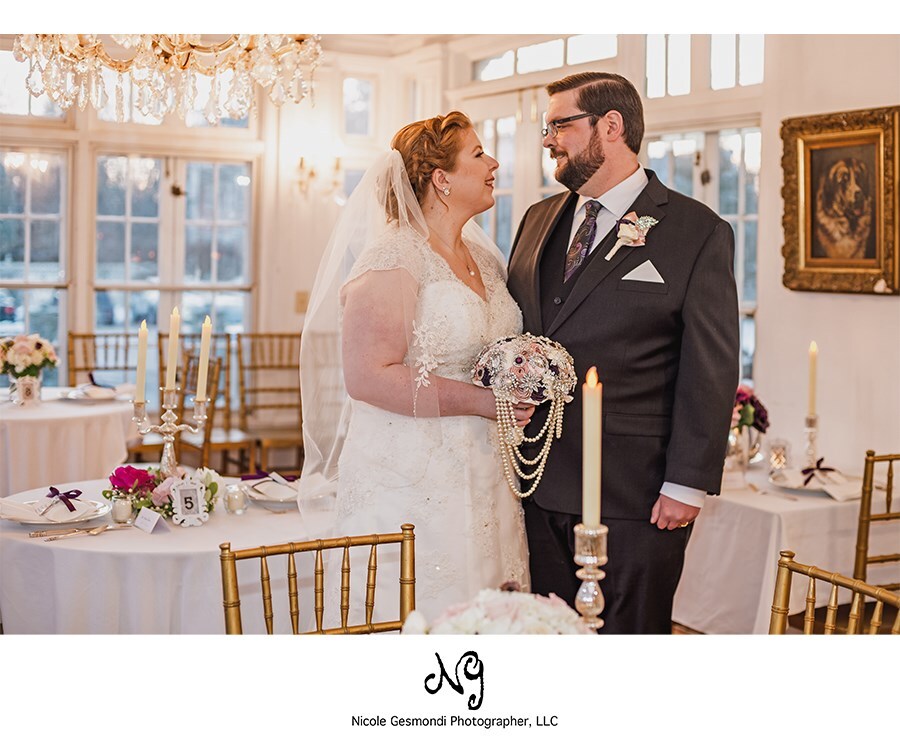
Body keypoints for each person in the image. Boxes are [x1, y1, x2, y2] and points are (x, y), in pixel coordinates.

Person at [507, 72, 740, 634]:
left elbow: (710, 364)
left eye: (560, 125)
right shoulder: (538, 220)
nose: (548, 140)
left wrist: (686, 482)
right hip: (535, 482)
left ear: (610, 127)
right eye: (548, 127)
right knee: (547, 639)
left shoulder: (696, 230)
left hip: (637, 495)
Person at [299, 111, 532, 625]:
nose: (494, 163)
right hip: (411, 476)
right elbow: (368, 376)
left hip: (488, 471)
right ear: (441, 178)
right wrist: (486, 403)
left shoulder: (484, 260)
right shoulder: (394, 257)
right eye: (478, 154)